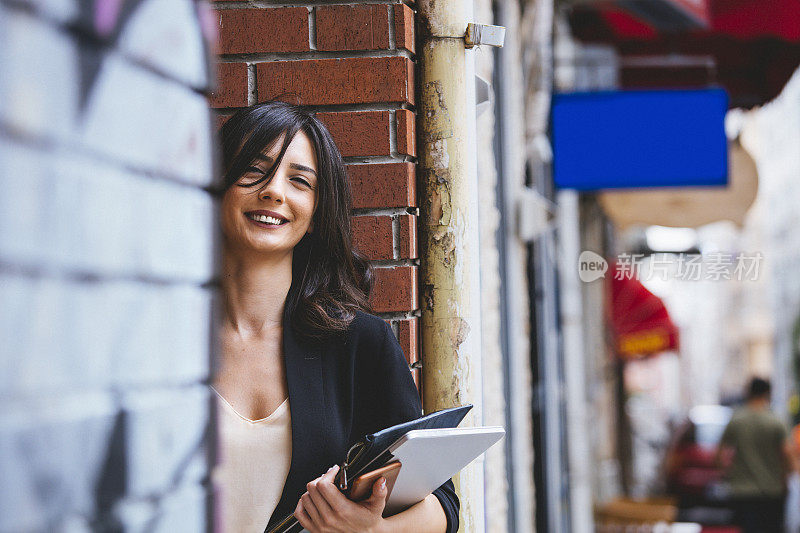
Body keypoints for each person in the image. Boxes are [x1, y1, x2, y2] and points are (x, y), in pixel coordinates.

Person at [211, 100, 459, 533]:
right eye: (255, 169)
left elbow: (443, 505)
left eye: (299, 182)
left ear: (315, 214)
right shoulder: (158, 334)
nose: (274, 191)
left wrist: (372, 531)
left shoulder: (359, 343)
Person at [716, 377, 795, 533]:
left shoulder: (736, 420)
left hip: (741, 492)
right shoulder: (776, 421)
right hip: (771, 492)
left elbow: (719, 456)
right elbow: (788, 457)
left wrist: (728, 474)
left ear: (748, 392)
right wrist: (785, 480)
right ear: (768, 393)